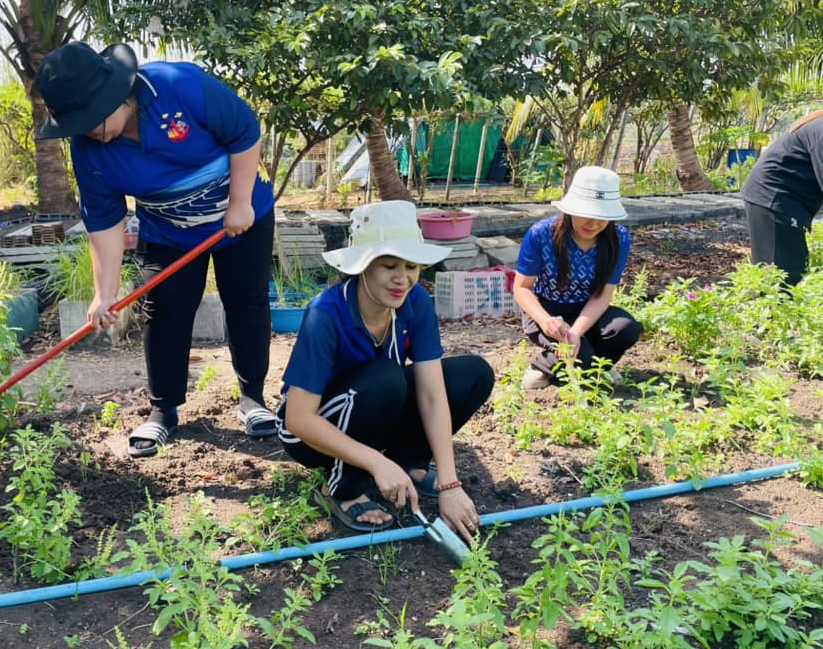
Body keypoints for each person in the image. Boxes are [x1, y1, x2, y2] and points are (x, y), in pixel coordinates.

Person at [35, 41, 277, 457]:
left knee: (247, 301)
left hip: (239, 218)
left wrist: (239, 203)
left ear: (118, 94)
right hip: (169, 230)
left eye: (92, 120)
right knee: (163, 313)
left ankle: (253, 397)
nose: (90, 131)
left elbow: (243, 131)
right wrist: (104, 293)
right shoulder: (89, 149)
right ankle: (163, 410)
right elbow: (106, 219)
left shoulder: (178, 86)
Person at [276, 200, 494, 540]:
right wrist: (376, 463)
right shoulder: (326, 314)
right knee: (386, 379)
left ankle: (409, 463)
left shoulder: (415, 301)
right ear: (362, 266)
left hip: (376, 408)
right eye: (389, 265)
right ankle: (343, 489)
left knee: (473, 374)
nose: (402, 278)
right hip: (314, 432)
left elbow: (433, 396)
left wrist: (451, 484)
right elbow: (298, 419)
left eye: (410, 266)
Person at [513, 165, 643, 390]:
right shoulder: (541, 234)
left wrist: (575, 333)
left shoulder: (618, 238)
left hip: (587, 312)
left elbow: (603, 294)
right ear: (571, 210)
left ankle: (586, 363)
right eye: (586, 215)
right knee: (582, 354)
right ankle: (546, 365)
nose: (593, 224)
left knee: (626, 329)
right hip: (547, 312)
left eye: (602, 217)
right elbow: (522, 288)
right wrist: (547, 322)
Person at [740, 109, 823, 286]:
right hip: (774, 196)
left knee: (790, 270)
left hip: (786, 200)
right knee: (782, 276)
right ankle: (771, 314)